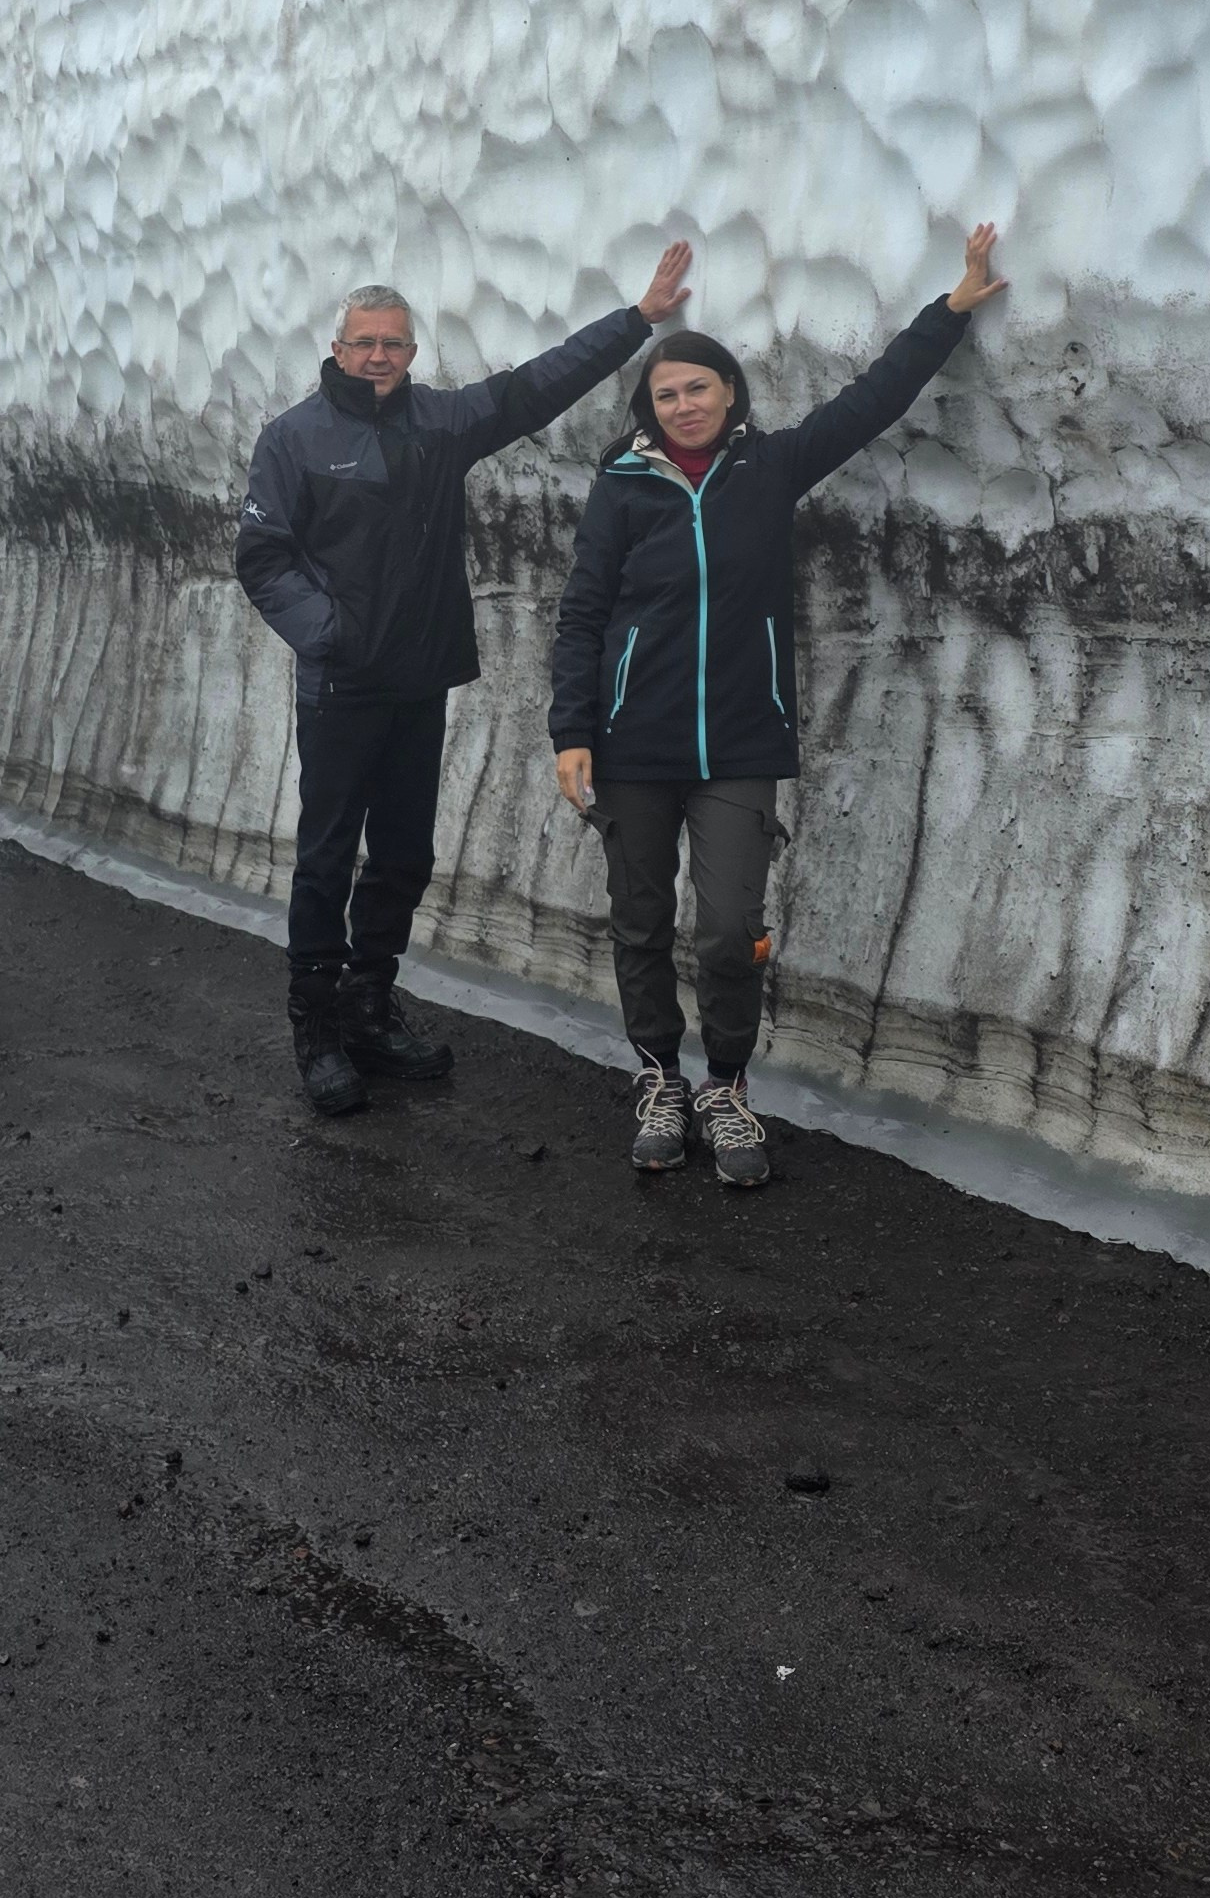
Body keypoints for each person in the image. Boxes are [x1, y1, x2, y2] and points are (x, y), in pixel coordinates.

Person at [548, 225, 1006, 1181]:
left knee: (725, 929)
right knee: (638, 919)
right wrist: (572, 733)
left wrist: (951, 309)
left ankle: (725, 1088)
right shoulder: (623, 488)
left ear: (729, 395)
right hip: (632, 745)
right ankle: (658, 1078)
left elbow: (873, 401)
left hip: (740, 741)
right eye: (666, 394)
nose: (683, 405)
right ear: (648, 406)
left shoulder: (772, 468)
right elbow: (584, 612)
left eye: (698, 389)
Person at [238, 246, 696, 1112]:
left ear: (414, 354)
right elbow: (262, 557)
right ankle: (317, 1026)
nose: (381, 356)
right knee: (328, 857)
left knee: (405, 852)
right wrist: (326, 633)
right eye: (366, 342)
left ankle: (369, 1006)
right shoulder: (293, 439)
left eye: (397, 344)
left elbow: (531, 389)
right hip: (339, 688)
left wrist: (636, 320)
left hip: (418, 681)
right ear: (336, 348)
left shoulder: (439, 424)